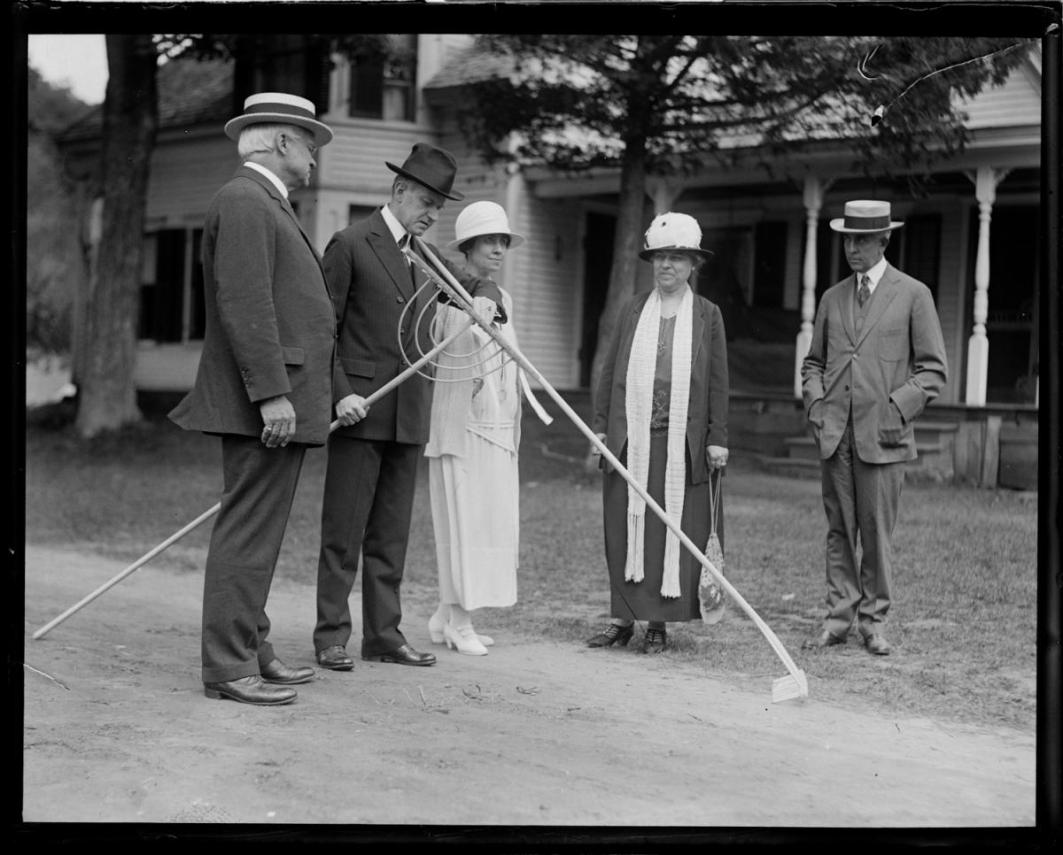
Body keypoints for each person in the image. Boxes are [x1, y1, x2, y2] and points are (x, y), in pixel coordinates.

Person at [168, 93, 364, 705]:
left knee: (261, 533)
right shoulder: (245, 200)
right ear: (280, 142)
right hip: (265, 404)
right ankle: (228, 667)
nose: (314, 157)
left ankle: (252, 648)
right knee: (249, 532)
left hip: (279, 399)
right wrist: (273, 395)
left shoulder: (264, 202)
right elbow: (245, 303)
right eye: (309, 144)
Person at [314, 144, 503, 670]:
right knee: (343, 534)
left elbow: (474, 282)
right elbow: (322, 329)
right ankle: (331, 635)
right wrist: (339, 391)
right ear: (398, 191)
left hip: (409, 414)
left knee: (391, 535)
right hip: (360, 409)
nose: (431, 214)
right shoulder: (351, 243)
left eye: (438, 207)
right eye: (425, 202)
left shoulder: (426, 255)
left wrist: (486, 295)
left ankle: (383, 635)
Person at [801, 199, 947, 656]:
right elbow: (813, 364)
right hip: (835, 435)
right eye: (848, 239)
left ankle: (873, 622)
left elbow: (933, 371)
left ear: (884, 240)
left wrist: (895, 410)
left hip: (884, 437)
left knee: (877, 535)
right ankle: (837, 619)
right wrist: (816, 407)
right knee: (839, 532)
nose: (852, 248)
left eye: (862, 240)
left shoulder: (913, 294)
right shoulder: (832, 297)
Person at [588, 212, 729, 654]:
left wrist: (717, 437)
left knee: (669, 530)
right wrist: (601, 429)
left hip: (680, 443)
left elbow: (718, 382)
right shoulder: (634, 310)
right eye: (660, 257)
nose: (666, 265)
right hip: (632, 439)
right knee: (625, 526)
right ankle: (622, 619)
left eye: (677, 258)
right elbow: (611, 373)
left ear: (693, 265)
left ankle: (658, 624)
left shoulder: (707, 315)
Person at [425, 201, 551, 655]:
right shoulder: (447, 295)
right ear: (468, 247)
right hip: (464, 428)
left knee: (491, 526)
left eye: (502, 241)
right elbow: (447, 355)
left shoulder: (502, 299)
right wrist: (466, 314)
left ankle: (446, 614)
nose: (498, 249)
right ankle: (460, 621)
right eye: (488, 241)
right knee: (465, 525)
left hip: (497, 428)